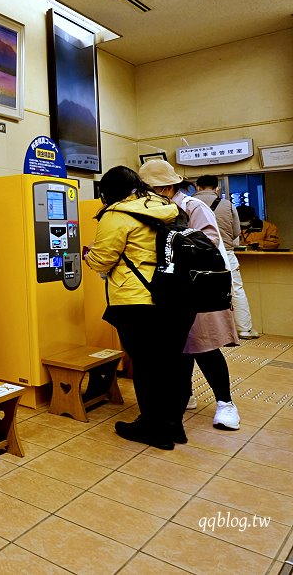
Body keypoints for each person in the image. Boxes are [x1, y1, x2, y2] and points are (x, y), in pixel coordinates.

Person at [84, 165, 192, 449]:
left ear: (107, 193)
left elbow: (102, 259)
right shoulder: (164, 206)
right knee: (172, 364)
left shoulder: (116, 215)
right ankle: (173, 426)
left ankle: (153, 427)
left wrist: (88, 256)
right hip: (175, 298)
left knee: (147, 366)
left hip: (138, 300)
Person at [139, 161, 241, 431]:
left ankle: (226, 404)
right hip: (171, 293)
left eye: (150, 189)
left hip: (197, 290)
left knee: (205, 346)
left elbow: (209, 242)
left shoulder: (194, 207)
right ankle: (186, 396)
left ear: (167, 187)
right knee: (180, 348)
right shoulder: (154, 210)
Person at [194, 176, 259, 340]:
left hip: (197, 255)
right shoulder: (228, 205)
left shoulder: (187, 204)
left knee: (199, 292)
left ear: (198, 187)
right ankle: (244, 329)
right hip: (226, 254)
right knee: (236, 290)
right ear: (217, 188)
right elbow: (236, 232)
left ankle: (204, 333)